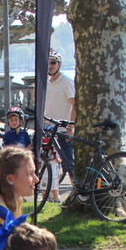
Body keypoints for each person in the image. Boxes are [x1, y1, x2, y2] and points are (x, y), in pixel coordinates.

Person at [45, 50, 75, 190]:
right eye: (48, 62)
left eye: (53, 62)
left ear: (59, 64)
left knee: (69, 163)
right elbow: (35, 98)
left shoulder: (66, 82)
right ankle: (48, 189)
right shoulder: (47, 83)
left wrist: (70, 127)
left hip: (63, 129)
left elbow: (75, 105)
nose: (50, 65)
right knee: (47, 160)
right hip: (49, 129)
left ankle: (76, 189)